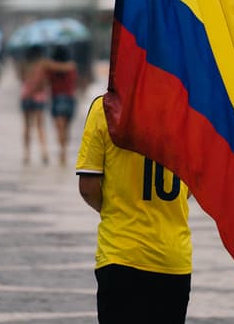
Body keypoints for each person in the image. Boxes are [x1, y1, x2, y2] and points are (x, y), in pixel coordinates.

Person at [76, 96, 192, 323]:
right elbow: (192, 186)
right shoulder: (188, 111)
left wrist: (116, 208)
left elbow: (88, 187)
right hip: (173, 259)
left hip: (121, 254)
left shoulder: (106, 108)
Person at [16, 45, 76, 165]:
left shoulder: (23, 65)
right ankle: (44, 152)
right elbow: (60, 71)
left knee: (27, 126)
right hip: (38, 98)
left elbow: (22, 79)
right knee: (40, 126)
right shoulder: (44, 64)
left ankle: (26, 154)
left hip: (26, 96)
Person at [47, 45, 78, 166]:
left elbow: (47, 81)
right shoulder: (71, 67)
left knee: (60, 128)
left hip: (57, 99)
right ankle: (63, 150)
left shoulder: (51, 68)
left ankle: (63, 150)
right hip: (69, 99)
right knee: (65, 128)